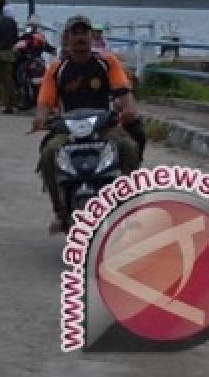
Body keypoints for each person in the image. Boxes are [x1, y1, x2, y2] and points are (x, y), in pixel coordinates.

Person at [32, 14, 141, 233]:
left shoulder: (107, 63)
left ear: (92, 36)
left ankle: (128, 205)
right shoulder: (57, 68)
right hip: (68, 131)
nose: (80, 37)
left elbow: (123, 93)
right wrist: (40, 117)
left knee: (129, 148)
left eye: (84, 32)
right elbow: (44, 102)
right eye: (75, 32)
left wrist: (129, 110)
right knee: (47, 154)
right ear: (67, 37)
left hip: (104, 127)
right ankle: (60, 212)